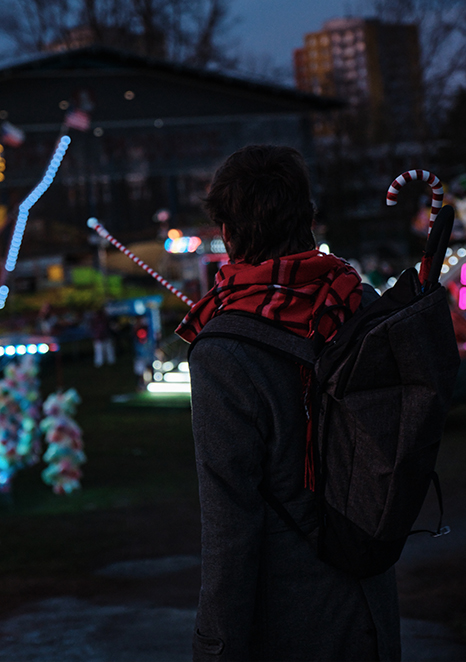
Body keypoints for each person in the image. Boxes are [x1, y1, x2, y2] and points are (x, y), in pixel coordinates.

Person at [176, 145, 400, 662]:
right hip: (372, 602)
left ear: (228, 233)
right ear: (308, 218)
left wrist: (215, 646)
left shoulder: (225, 352)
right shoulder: (359, 304)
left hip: (292, 619)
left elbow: (229, 526)